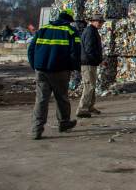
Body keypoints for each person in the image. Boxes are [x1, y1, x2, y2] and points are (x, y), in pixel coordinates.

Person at [27, 8, 81, 139]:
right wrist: (75, 68)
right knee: (61, 98)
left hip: (41, 70)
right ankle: (64, 123)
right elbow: (75, 52)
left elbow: (31, 49)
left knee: (41, 100)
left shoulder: (43, 29)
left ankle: (36, 130)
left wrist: (35, 65)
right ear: (69, 20)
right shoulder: (71, 31)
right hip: (60, 70)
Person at [76, 15, 104, 117]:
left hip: (91, 62)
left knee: (92, 85)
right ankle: (82, 109)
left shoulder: (93, 31)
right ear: (93, 21)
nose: (101, 24)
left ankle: (90, 106)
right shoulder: (90, 32)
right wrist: (97, 60)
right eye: (99, 22)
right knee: (89, 86)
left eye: (101, 22)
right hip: (88, 63)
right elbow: (89, 49)